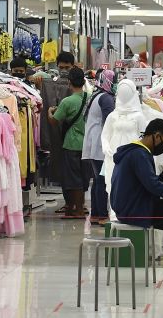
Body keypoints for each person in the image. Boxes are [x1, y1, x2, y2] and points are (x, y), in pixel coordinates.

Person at [110, 119, 163, 236]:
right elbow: (154, 187)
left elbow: (143, 184)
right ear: (157, 137)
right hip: (134, 211)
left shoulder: (133, 151)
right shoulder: (140, 155)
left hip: (127, 208)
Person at [48, 68, 90, 219]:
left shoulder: (67, 102)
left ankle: (77, 210)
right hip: (87, 145)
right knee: (83, 177)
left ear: (69, 83)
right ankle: (79, 207)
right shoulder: (90, 98)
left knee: (73, 178)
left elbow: (54, 121)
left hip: (71, 144)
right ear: (84, 82)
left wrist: (49, 112)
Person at [82, 69, 116, 224]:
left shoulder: (96, 95)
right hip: (100, 143)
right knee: (102, 179)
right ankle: (102, 215)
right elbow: (110, 121)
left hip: (93, 141)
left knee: (97, 180)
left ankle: (96, 214)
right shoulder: (106, 98)